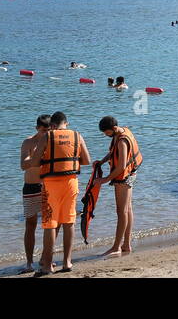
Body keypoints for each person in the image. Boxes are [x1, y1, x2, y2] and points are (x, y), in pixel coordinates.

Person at [32, 111, 92, 275]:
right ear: (67, 123)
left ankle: (47, 265)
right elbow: (86, 161)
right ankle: (67, 262)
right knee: (69, 222)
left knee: (50, 224)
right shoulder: (77, 136)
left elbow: (36, 161)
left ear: (52, 125)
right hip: (71, 182)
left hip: (51, 184)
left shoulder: (48, 137)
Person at [95, 116, 142, 258]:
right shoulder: (122, 132)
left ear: (114, 129)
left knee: (121, 212)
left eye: (106, 132)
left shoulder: (121, 141)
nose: (105, 135)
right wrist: (102, 162)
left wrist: (105, 179)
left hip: (125, 178)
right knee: (127, 210)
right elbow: (113, 153)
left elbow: (121, 166)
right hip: (131, 175)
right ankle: (126, 244)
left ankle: (116, 247)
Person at [18, 114, 51, 274]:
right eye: (43, 130)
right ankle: (29, 262)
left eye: (49, 130)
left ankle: (45, 258)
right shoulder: (28, 142)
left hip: (47, 186)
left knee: (49, 224)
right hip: (31, 186)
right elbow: (23, 165)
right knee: (30, 224)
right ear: (37, 128)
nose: (46, 133)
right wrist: (36, 155)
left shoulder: (52, 141)